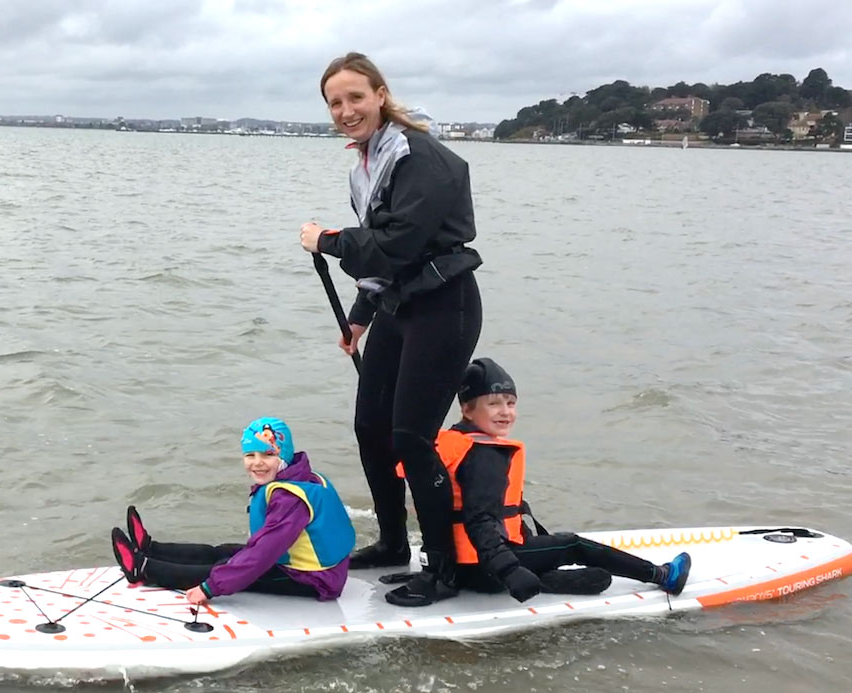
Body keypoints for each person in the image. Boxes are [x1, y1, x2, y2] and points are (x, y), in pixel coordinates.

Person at [298, 51, 483, 606]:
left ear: (380, 94)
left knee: (411, 437)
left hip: (444, 309)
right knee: (370, 427)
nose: (346, 110)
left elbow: (396, 243)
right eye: (335, 102)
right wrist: (359, 318)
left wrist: (327, 242)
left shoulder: (419, 156)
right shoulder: (371, 159)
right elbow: (386, 257)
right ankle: (394, 545)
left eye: (356, 97)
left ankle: (444, 570)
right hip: (401, 308)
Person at [401, 357, 692, 607]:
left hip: (456, 567)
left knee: (585, 571)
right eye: (493, 404)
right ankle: (663, 576)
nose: (505, 412)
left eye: (511, 403)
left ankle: (548, 578)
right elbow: (479, 519)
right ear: (467, 409)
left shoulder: (446, 443)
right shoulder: (485, 455)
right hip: (487, 567)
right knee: (572, 544)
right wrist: (509, 571)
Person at [111, 417, 355, 606]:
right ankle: (152, 548)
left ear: (284, 455)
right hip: (303, 565)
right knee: (222, 552)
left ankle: (143, 569)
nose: (257, 462)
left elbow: (262, 553)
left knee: (223, 567)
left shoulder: (291, 499)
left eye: (268, 455)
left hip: (314, 580)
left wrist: (209, 588)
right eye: (250, 455)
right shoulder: (302, 477)